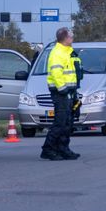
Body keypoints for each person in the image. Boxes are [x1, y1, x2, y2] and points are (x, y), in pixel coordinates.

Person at [41, 28, 79, 161]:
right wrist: (63, 89)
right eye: (71, 36)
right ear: (65, 38)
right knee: (60, 122)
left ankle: (63, 148)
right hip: (60, 92)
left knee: (67, 122)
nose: (72, 38)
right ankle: (48, 149)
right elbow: (56, 74)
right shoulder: (57, 53)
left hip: (68, 91)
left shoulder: (67, 52)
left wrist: (73, 91)